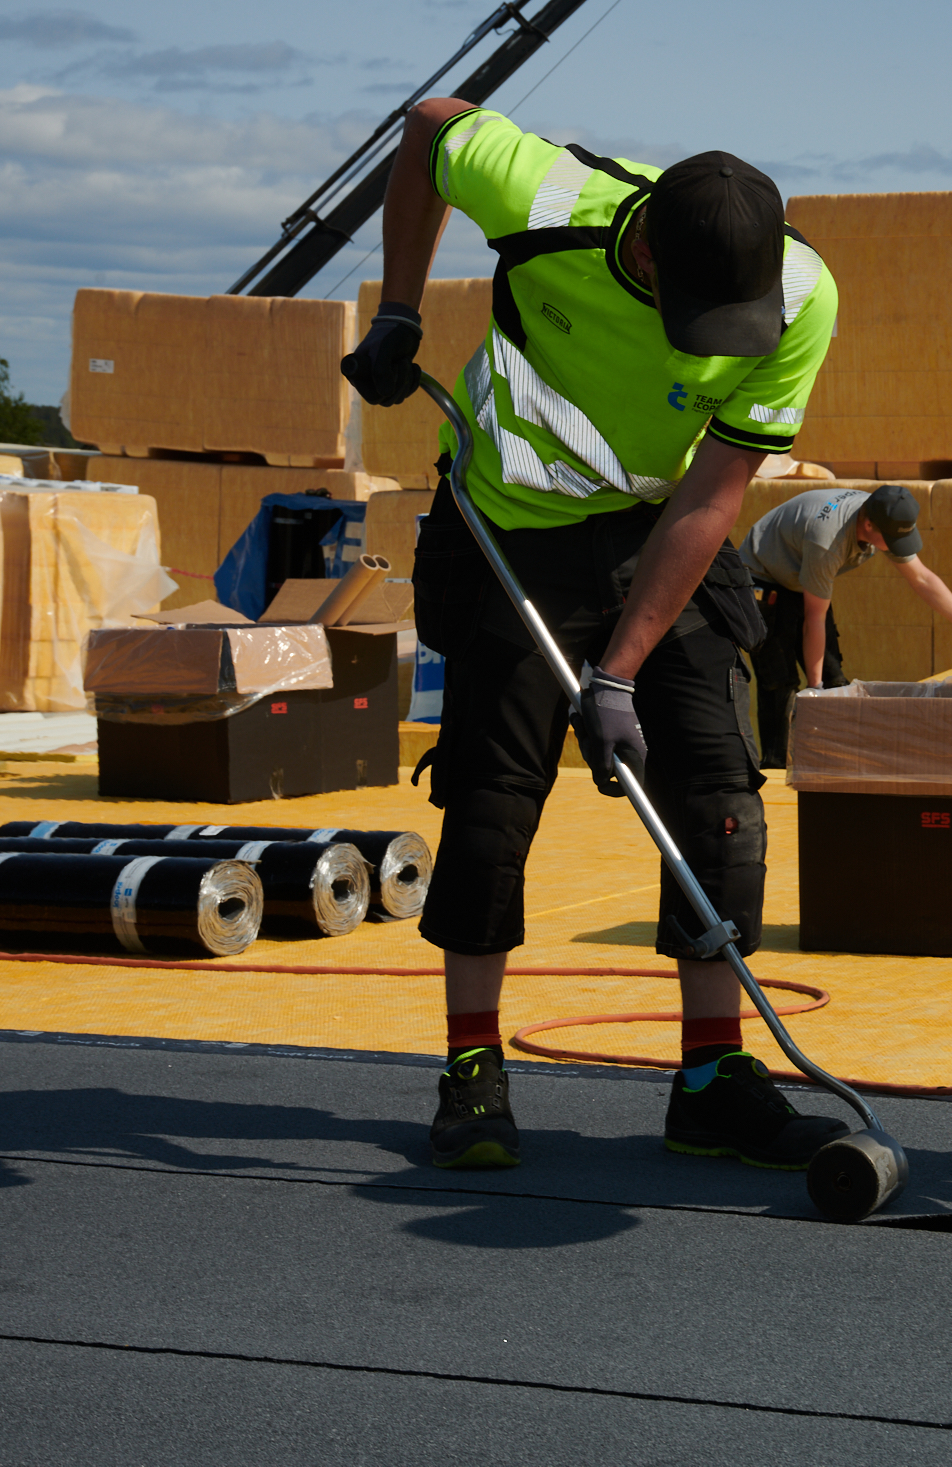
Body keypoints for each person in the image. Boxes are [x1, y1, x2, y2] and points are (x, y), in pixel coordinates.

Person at [342, 98, 849, 1175]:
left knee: (716, 792)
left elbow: (713, 498)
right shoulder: (541, 197)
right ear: (650, 260)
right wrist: (396, 309)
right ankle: (472, 1069)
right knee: (490, 798)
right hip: (515, 525)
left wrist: (616, 673)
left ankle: (713, 1077)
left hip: (671, 520)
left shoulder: (802, 298)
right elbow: (432, 124)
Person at [739, 483, 952, 765]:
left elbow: (922, 578)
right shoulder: (828, 540)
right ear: (867, 525)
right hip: (763, 576)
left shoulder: (883, 511)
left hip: (799, 574)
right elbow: (814, 618)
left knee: (834, 681)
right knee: (780, 683)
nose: (895, 546)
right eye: (890, 538)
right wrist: (814, 689)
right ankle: (777, 768)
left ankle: (833, 764)